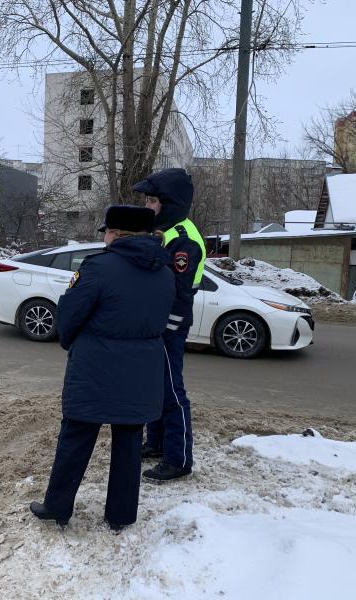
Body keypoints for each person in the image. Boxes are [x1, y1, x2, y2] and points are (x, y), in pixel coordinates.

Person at [29, 205, 175, 530]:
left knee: (77, 436)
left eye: (107, 231)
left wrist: (72, 343)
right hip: (143, 368)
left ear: (116, 234)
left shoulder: (97, 267)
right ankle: (120, 516)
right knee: (129, 442)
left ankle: (57, 505)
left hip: (94, 367)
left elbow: (68, 316)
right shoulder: (164, 271)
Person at [132, 168, 206, 482]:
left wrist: (166, 328)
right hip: (155, 324)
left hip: (170, 326)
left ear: (170, 203)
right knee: (155, 386)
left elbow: (178, 293)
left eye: (153, 201)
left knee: (172, 391)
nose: (148, 206)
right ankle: (158, 443)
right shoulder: (165, 231)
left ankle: (178, 459)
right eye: (147, 200)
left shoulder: (184, 240)